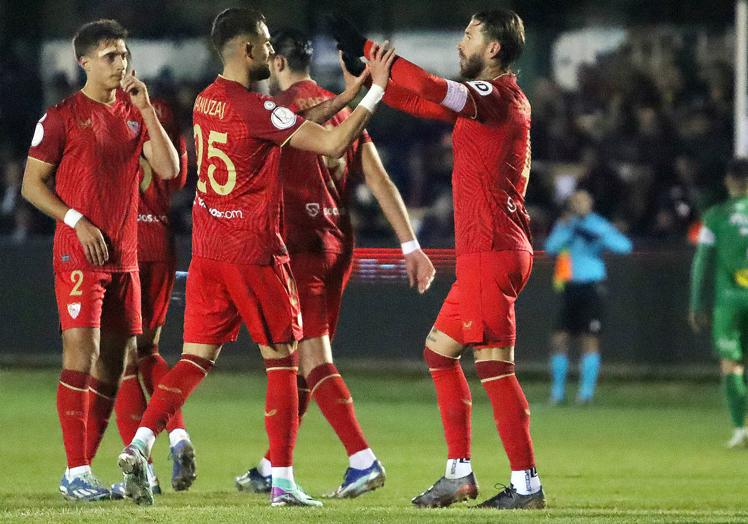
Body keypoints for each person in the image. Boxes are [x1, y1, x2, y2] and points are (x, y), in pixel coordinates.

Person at [117, 7, 396, 507]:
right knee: (284, 364)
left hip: (208, 252)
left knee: (194, 359)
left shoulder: (207, 101)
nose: (272, 51)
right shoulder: (257, 109)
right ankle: (284, 484)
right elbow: (331, 140)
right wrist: (376, 92)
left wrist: (349, 94)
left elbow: (282, 124)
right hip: (255, 253)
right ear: (247, 50)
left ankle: (140, 444)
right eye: (266, 43)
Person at [333, 8, 545, 510]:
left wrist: (366, 45)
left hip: (492, 251)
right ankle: (462, 474)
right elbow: (419, 99)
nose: (460, 44)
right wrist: (372, 83)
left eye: (469, 36)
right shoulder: (485, 103)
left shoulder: (496, 97)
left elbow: (429, 86)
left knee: (495, 368)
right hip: (490, 251)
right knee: (441, 353)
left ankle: (524, 485)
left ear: (493, 49)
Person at [234, 29, 435, 498]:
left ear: (278, 62)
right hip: (336, 244)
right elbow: (379, 179)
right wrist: (410, 246)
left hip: (296, 244)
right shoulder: (342, 107)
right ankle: (271, 463)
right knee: (306, 358)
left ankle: (362, 458)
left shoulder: (276, 110)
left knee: (306, 357)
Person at [21, 19, 180, 501]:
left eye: (125, 54)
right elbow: (31, 185)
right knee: (81, 356)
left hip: (126, 258)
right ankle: (74, 470)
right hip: (78, 254)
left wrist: (147, 110)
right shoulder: (62, 117)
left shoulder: (134, 115)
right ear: (84, 62)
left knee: (115, 364)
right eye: (111, 56)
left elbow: (169, 170)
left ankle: (86, 471)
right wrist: (76, 220)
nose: (122, 63)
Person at [112, 96, 193, 498]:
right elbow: (177, 178)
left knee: (121, 362)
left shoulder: (109, 111)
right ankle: (178, 437)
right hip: (161, 239)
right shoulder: (162, 112)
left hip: (124, 243)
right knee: (150, 351)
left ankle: (142, 471)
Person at [544, 190, 632, 405]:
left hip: (592, 288)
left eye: (584, 201)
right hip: (570, 288)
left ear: (590, 204)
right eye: (576, 201)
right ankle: (557, 394)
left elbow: (624, 247)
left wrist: (598, 233)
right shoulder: (566, 224)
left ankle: (585, 395)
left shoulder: (598, 224)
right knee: (559, 339)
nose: (580, 205)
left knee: (589, 340)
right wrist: (571, 229)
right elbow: (550, 248)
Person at [690, 158, 748, 448]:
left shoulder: (715, 216)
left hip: (730, 301)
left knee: (732, 364)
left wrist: (696, 303)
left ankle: (741, 428)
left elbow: (702, 262)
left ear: (729, 182)